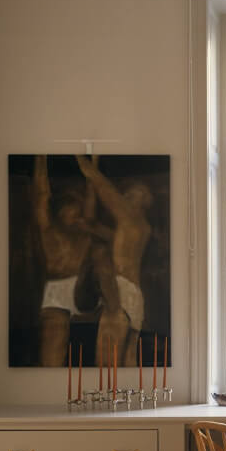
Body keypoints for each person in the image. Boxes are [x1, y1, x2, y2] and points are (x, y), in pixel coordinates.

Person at [74, 154, 153, 365]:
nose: (125, 196)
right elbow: (93, 225)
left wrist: (86, 160)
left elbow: (101, 185)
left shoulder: (130, 217)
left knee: (106, 365)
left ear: (143, 200)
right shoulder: (136, 229)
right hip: (134, 296)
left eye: (132, 193)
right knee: (128, 362)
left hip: (120, 291)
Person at [32, 154, 98, 366]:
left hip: (84, 294)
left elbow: (91, 196)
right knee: (52, 357)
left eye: (78, 211)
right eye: (72, 211)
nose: (77, 215)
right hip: (57, 295)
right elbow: (41, 195)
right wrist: (40, 157)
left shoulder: (83, 231)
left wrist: (93, 163)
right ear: (61, 212)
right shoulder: (50, 232)